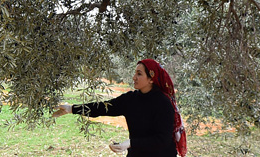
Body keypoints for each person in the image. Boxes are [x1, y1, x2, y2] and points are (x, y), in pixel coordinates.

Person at [53, 59, 187, 157]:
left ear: (151, 79)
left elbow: (161, 140)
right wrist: (71, 109)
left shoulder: (163, 103)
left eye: (139, 74)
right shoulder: (130, 99)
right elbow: (102, 108)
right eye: (135, 73)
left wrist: (130, 143)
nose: (134, 77)